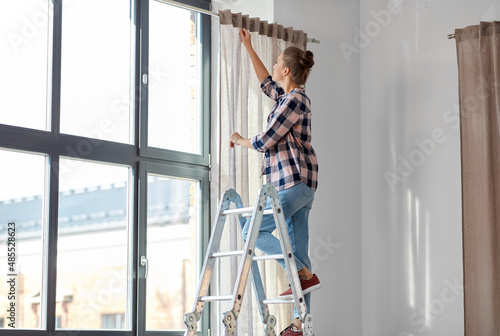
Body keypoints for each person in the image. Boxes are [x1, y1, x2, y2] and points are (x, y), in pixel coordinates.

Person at [230, 28, 320, 336]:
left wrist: (240, 140)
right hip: (300, 185)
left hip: (293, 182)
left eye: (277, 60)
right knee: (300, 251)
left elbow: (266, 141)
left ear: (286, 70)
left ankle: (300, 272)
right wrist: (248, 46)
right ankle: (299, 323)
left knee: (250, 230)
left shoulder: (295, 101)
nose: (273, 64)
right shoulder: (285, 96)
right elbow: (265, 83)